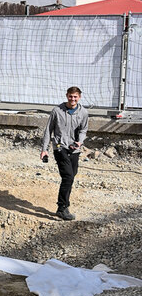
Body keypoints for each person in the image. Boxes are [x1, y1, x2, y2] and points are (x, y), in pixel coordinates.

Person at [41, 85, 88, 221]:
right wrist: (44, 149)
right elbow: (48, 131)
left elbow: (84, 129)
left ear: (79, 97)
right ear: (67, 95)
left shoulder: (83, 112)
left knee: (71, 176)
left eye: (75, 97)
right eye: (70, 96)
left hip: (74, 149)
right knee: (68, 176)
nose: (72, 99)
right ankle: (62, 208)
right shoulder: (57, 111)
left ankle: (64, 206)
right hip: (60, 147)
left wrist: (80, 141)